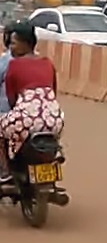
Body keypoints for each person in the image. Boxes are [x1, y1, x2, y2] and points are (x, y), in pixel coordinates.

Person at [0, 24, 61, 181]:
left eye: (13, 43)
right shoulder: (47, 62)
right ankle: (56, 157)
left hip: (26, 118)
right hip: (55, 118)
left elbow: (12, 97)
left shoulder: (13, 64)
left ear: (25, 44)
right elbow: (54, 90)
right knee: (54, 136)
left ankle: (6, 171)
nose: (11, 48)